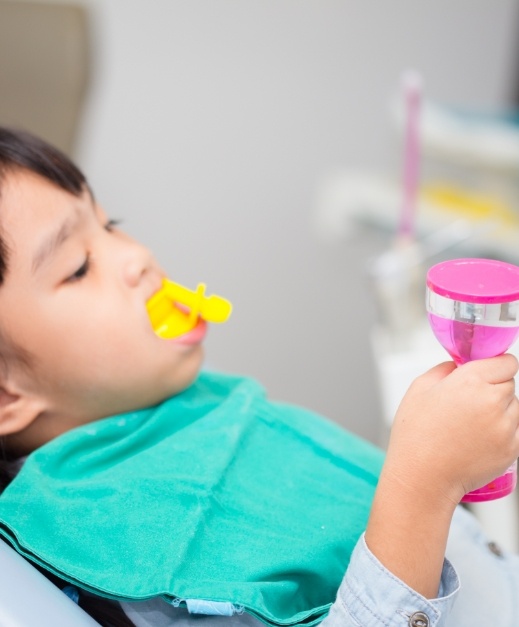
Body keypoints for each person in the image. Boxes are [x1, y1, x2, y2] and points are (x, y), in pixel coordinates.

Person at [0, 127, 517, 627]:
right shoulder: (113, 540)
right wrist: (424, 484)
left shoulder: (175, 406)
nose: (137, 255)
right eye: (78, 266)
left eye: (111, 224)